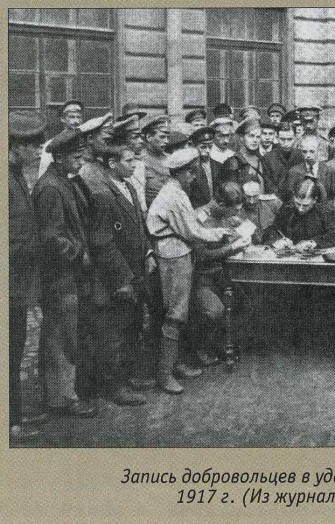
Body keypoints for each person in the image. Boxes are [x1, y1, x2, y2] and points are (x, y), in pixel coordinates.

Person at [146, 148, 229, 393]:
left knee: (180, 311)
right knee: (175, 313)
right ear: (180, 173)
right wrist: (220, 233)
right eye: (191, 173)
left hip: (178, 251)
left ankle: (175, 364)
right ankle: (164, 375)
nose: (193, 177)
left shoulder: (176, 191)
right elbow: (191, 231)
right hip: (174, 255)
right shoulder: (174, 195)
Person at [32, 128, 98, 418]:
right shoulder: (51, 188)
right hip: (59, 277)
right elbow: (52, 238)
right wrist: (79, 252)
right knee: (60, 337)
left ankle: (63, 393)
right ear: (59, 157)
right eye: (76, 157)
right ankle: (61, 399)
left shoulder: (62, 182)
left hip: (68, 276)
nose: (81, 162)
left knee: (66, 334)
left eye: (82, 156)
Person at [87, 145, 155, 406]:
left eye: (134, 159)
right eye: (128, 160)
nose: (134, 165)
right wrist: (122, 280)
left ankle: (127, 377)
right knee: (114, 333)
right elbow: (102, 242)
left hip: (136, 270)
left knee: (131, 327)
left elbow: (139, 227)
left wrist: (148, 252)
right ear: (112, 163)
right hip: (118, 277)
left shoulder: (129, 188)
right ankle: (115, 387)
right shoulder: (103, 195)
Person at [9, 111, 46, 441]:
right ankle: (11, 423)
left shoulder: (16, 175)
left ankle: (13, 418)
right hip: (10, 284)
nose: (38, 150)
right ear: (14, 146)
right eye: (32, 145)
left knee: (15, 349)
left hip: (17, 285)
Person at [186, 182, 251, 367]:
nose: (236, 213)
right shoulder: (199, 218)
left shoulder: (221, 215)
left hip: (221, 275)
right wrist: (232, 248)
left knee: (245, 301)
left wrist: (237, 234)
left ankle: (221, 342)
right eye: (234, 209)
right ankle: (198, 347)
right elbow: (201, 256)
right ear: (221, 204)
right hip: (201, 278)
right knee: (215, 310)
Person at [266, 178, 335, 249]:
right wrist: (278, 241)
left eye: (306, 205)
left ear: (315, 199)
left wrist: (314, 243)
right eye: (298, 203)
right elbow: (273, 230)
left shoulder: (327, 212)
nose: (300, 209)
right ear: (294, 197)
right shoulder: (287, 208)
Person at [279, 134, 335, 202]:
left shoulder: (330, 172)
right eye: (304, 152)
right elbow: (289, 198)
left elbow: (334, 198)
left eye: (312, 151)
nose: (308, 155)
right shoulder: (293, 172)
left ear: (319, 150)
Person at [112, 107, 148, 216]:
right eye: (135, 137)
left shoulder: (140, 165)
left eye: (140, 136)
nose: (141, 141)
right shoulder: (115, 166)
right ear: (123, 140)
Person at [38, 99, 84, 179]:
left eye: (79, 117)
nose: (76, 121)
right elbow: (43, 175)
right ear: (63, 119)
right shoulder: (53, 145)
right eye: (71, 117)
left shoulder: (85, 142)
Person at [221, 118, 266, 190]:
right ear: (242, 138)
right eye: (251, 136)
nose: (255, 140)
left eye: (258, 137)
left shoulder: (261, 160)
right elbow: (231, 192)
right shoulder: (233, 162)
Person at [262, 122, 304, 194]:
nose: (286, 143)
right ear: (277, 138)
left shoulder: (301, 156)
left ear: (295, 137)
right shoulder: (267, 158)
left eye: (289, 139)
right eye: (282, 139)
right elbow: (268, 184)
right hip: (275, 198)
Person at [189, 126, 223, 209]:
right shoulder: (189, 170)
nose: (207, 150)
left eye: (210, 146)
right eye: (203, 147)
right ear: (194, 147)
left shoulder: (219, 166)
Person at [141, 114, 171, 208]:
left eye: (167, 137)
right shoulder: (141, 160)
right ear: (149, 137)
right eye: (162, 137)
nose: (166, 141)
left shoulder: (170, 159)